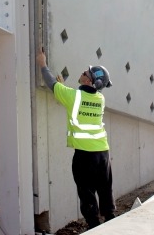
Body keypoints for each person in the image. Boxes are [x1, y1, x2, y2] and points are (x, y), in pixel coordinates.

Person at [36, 48, 115, 229]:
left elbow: (50, 83)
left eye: (85, 72)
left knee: (86, 191)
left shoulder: (73, 96)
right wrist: (64, 89)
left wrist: (42, 64)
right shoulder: (100, 99)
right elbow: (79, 99)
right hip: (103, 153)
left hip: (84, 155)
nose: (82, 72)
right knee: (104, 188)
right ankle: (111, 221)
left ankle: (94, 226)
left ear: (89, 80)